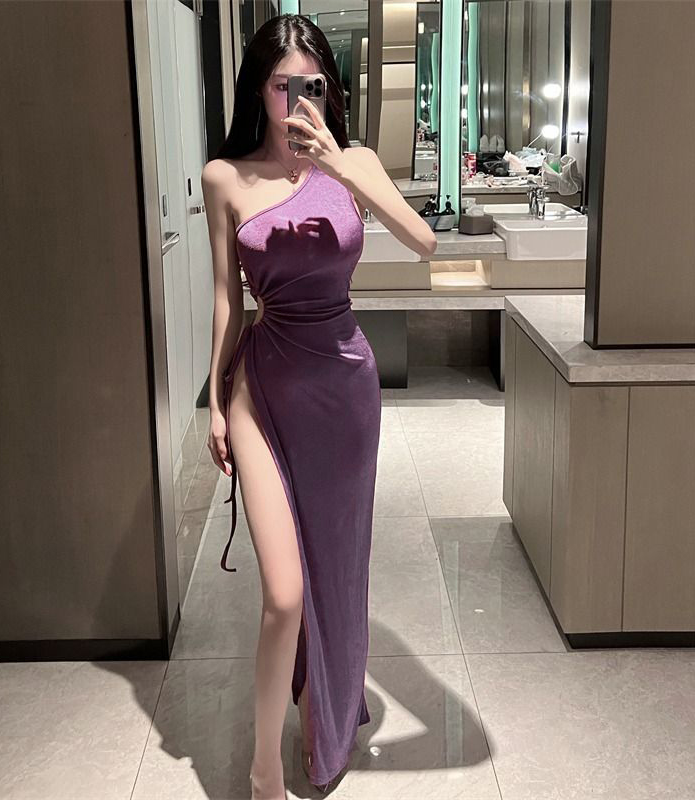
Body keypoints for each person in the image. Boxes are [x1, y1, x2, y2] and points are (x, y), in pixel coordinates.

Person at [201, 14, 437, 800]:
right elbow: (226, 301)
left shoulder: (354, 162)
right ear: (257, 89)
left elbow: (424, 242)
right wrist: (214, 400)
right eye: (281, 85)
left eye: (312, 84)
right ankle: (265, 767)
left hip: (343, 388)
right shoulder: (225, 177)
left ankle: (325, 703)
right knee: (284, 594)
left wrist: (342, 166)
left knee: (337, 563)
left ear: (329, 88)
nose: (296, 99)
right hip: (263, 387)